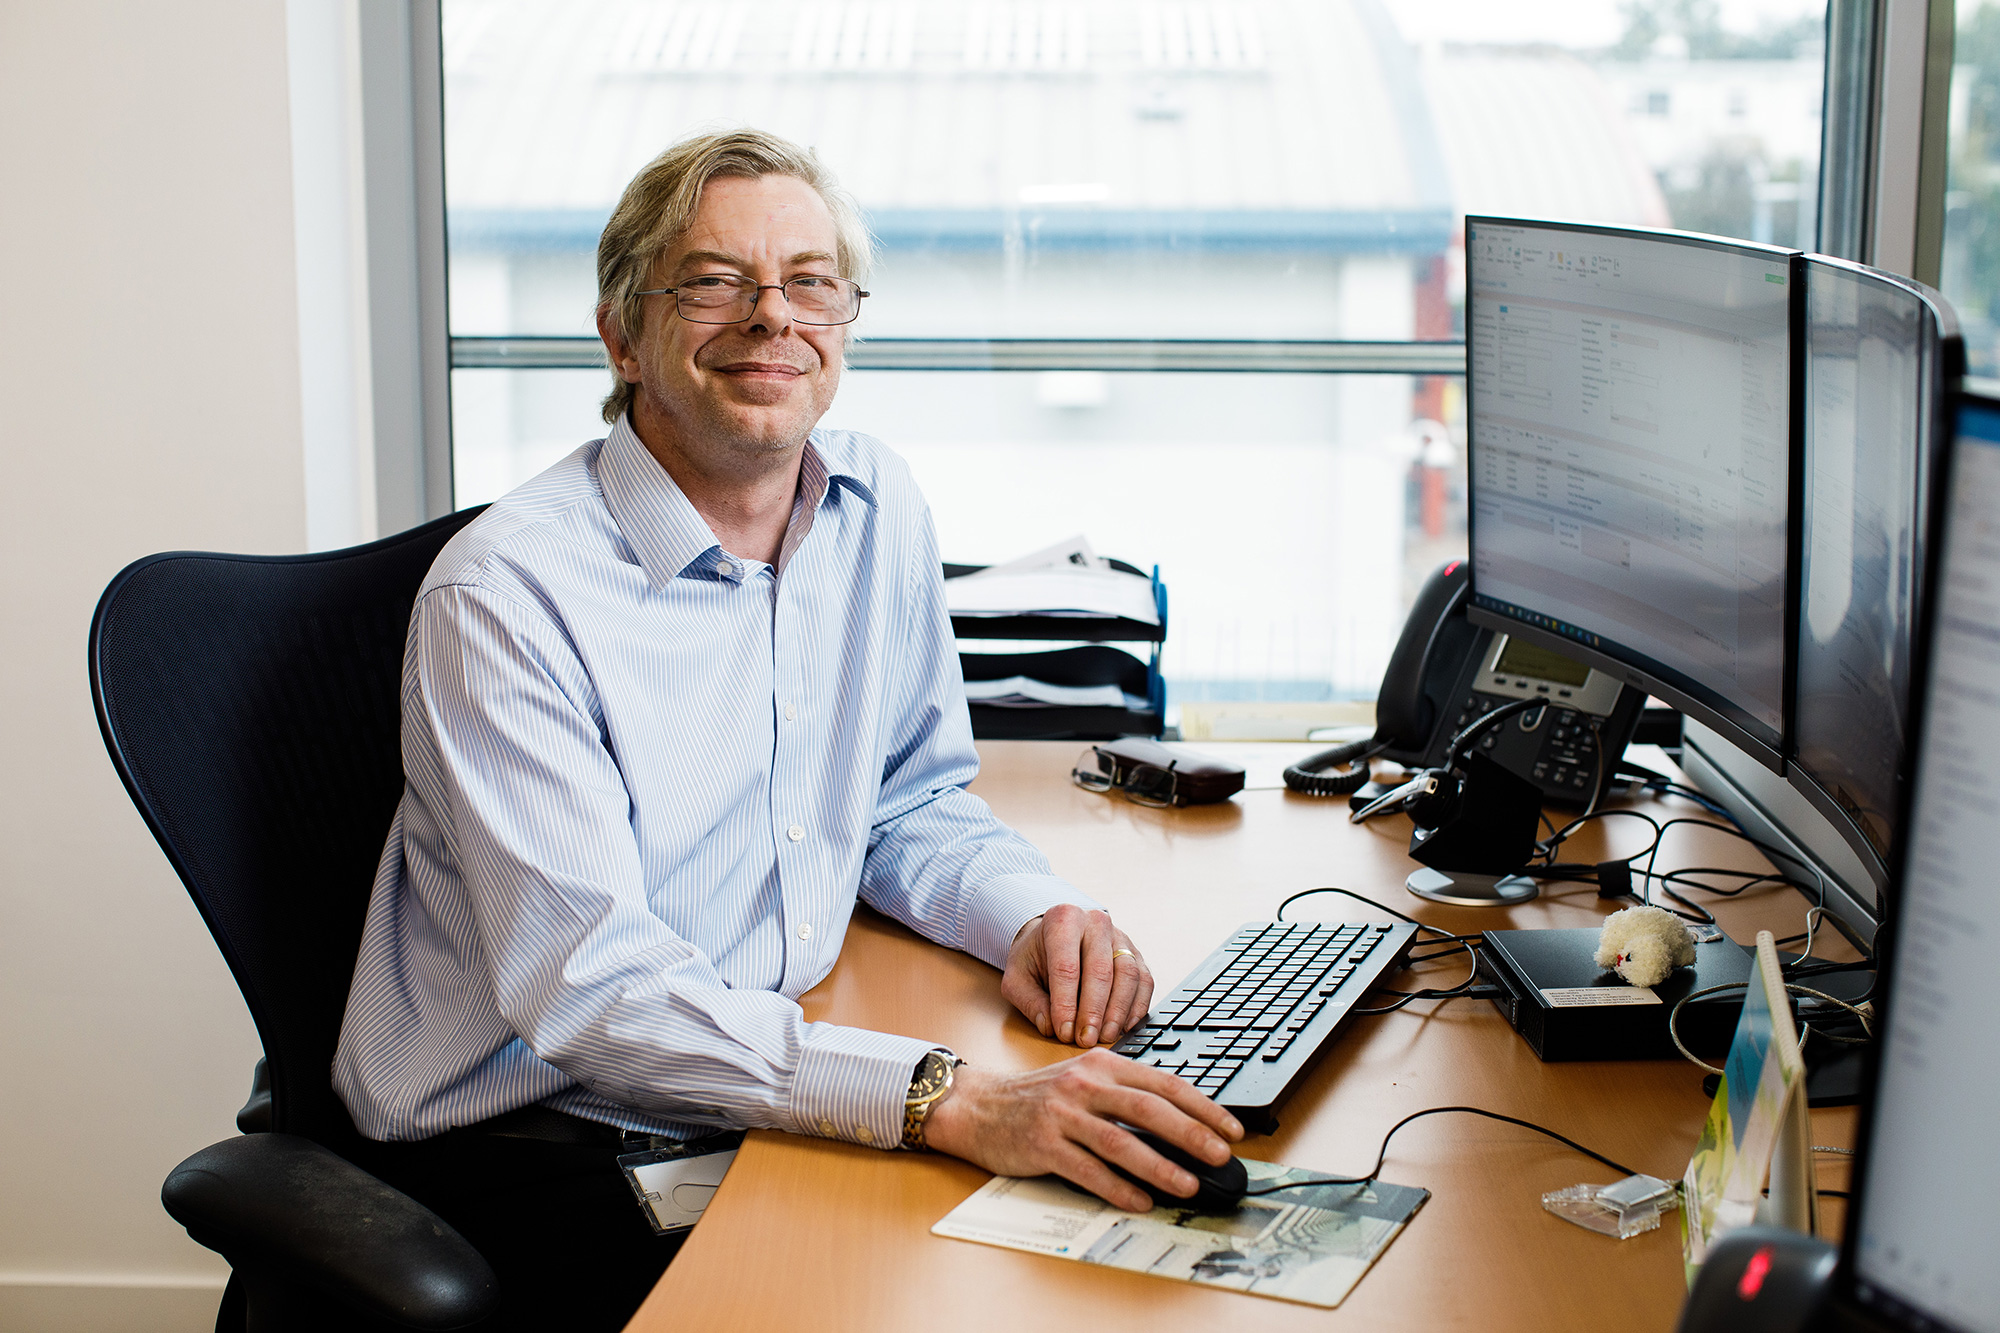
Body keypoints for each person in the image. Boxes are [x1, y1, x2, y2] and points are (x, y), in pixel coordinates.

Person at [332, 128, 1243, 1328]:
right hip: (535, 1132)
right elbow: (597, 996)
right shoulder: (506, 596)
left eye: (809, 280)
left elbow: (904, 801)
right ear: (622, 332)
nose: (773, 317)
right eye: (713, 281)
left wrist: (1030, 915)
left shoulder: (873, 505)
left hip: (743, 1071)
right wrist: (945, 1099)